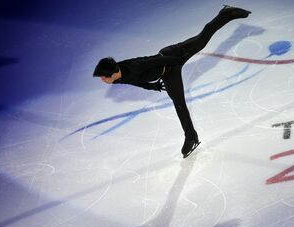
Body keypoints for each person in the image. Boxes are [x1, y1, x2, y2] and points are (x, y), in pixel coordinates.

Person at [93, 5, 251, 158]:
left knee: (203, 37)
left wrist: (178, 59)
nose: (102, 80)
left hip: (173, 55)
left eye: (103, 77)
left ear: (112, 73)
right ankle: (191, 137)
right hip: (168, 74)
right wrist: (152, 86)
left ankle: (227, 13)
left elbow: (155, 61)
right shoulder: (117, 79)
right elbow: (134, 82)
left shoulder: (135, 66)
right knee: (179, 104)